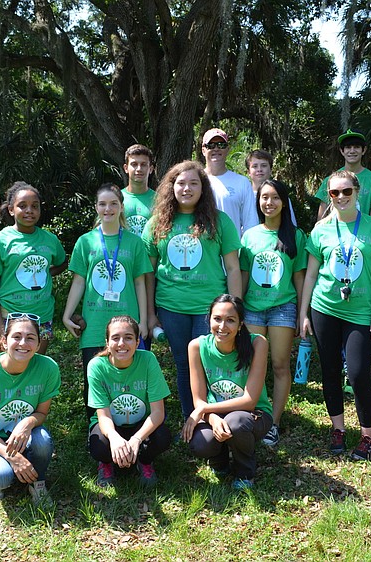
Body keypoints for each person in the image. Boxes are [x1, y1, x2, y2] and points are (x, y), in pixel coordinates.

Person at [298, 170, 371, 460]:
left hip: (362, 311)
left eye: (346, 191)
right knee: (329, 371)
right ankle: (338, 428)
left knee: (359, 372)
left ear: (357, 192)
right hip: (324, 308)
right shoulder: (321, 230)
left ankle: (367, 436)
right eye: (335, 193)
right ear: (329, 195)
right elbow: (311, 275)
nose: (340, 197)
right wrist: (303, 314)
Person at [142, 160, 243, 417]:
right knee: (184, 365)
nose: (187, 188)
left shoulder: (220, 222)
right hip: (171, 307)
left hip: (209, 310)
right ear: (171, 187)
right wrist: (151, 313)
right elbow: (148, 273)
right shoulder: (156, 223)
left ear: (203, 188)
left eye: (194, 183)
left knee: (209, 364)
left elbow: (233, 268)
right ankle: (192, 420)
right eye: (181, 183)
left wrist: (235, 310)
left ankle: (216, 418)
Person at [63, 183, 152, 419]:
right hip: (95, 324)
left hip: (127, 323)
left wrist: (142, 321)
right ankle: (97, 432)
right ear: (96, 207)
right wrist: (66, 314)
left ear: (122, 207)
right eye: (102, 204)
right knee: (95, 380)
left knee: (131, 379)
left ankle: (131, 429)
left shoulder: (135, 242)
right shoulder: (85, 241)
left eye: (113, 203)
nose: (108, 208)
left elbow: (140, 283)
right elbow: (79, 281)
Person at [239, 179, 306, 447]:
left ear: (284, 202)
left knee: (279, 365)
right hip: (253, 310)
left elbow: (300, 279)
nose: (269, 202)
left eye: (275, 197)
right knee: (252, 365)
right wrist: (238, 309)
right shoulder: (250, 235)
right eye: (264, 197)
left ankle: (274, 423)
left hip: (283, 308)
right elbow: (243, 275)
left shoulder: (296, 236)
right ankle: (255, 414)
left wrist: (303, 314)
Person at [0, 313, 60, 504]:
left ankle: (37, 482)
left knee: (43, 443)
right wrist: (15, 458)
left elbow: (41, 413)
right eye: (16, 337)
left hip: (26, 435)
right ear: (4, 341)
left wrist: (27, 422)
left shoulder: (48, 368)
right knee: (1, 477)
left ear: (38, 343)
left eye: (31, 338)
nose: (23, 343)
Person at [182, 294, 271, 490]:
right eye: (217, 319)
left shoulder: (258, 343)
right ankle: (219, 462)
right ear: (209, 319)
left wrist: (204, 409)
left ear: (240, 325)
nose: (222, 326)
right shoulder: (197, 346)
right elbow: (198, 399)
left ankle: (245, 471)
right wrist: (212, 417)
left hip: (254, 414)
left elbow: (249, 400)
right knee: (200, 443)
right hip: (215, 413)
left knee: (236, 423)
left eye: (230, 320)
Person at [0, 181, 66, 353]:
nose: (29, 210)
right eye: (22, 206)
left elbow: (62, 263)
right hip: (9, 317)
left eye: (35, 206)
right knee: (8, 370)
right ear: (11, 210)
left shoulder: (50, 240)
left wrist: (44, 273)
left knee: (35, 368)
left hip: (41, 316)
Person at [87, 316, 172, 488]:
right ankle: (106, 463)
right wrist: (115, 439)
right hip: (111, 425)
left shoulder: (148, 360)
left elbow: (158, 413)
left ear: (137, 341)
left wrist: (137, 439)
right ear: (107, 342)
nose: (121, 344)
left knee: (162, 437)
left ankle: (145, 461)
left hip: (141, 424)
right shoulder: (96, 366)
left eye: (128, 337)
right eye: (115, 338)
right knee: (99, 446)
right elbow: (103, 416)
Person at [315, 129, 371, 221]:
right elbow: (321, 219)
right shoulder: (330, 180)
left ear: (363, 150)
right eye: (348, 147)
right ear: (342, 151)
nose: (352, 151)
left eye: (356, 147)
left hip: (363, 234)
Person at [201, 128, 259, 235]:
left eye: (221, 144)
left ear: (227, 149)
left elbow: (250, 224)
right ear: (203, 150)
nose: (216, 149)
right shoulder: (196, 182)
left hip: (232, 250)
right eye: (211, 145)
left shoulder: (242, 182)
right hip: (203, 250)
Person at [245, 149, 297, 223]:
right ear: (248, 172)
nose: (259, 169)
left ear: (270, 170)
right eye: (255, 166)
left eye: (264, 165)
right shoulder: (243, 196)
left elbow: (291, 224)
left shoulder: (280, 196)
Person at [121, 144, 156, 238]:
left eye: (143, 164)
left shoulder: (160, 200)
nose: (139, 169)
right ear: (126, 168)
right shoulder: (116, 198)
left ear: (151, 169)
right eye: (134, 164)